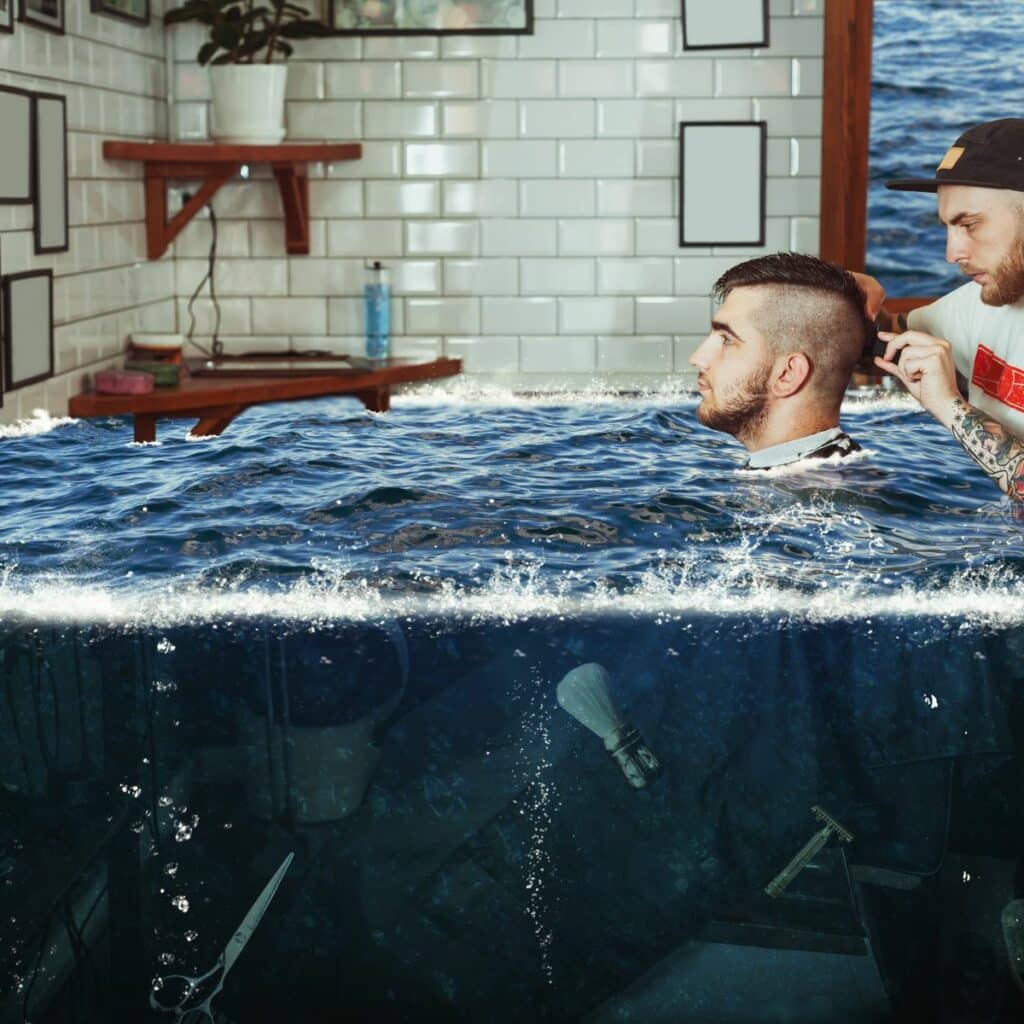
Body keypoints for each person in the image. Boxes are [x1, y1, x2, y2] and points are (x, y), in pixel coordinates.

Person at [873, 118, 1024, 506]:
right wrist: (855, 299)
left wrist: (948, 405)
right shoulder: (982, 305)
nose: (951, 254)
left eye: (969, 225)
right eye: (947, 228)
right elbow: (891, 338)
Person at [689, 251, 870, 469]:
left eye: (727, 339)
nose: (697, 358)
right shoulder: (801, 475)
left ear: (787, 374)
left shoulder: (822, 492)